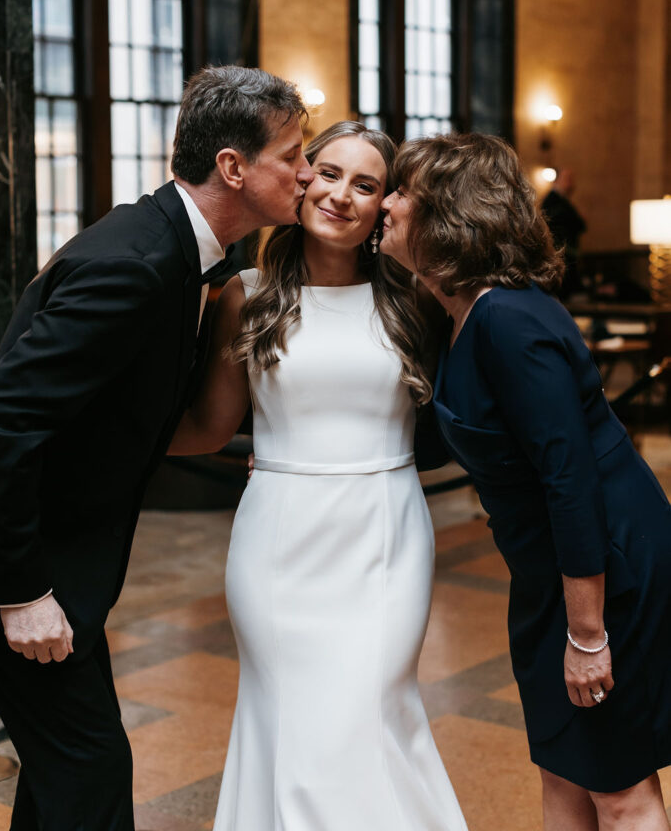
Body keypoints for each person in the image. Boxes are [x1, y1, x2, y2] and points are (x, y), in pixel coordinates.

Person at [0, 64, 312, 831]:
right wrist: (20, 594)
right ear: (233, 168)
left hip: (64, 567)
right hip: (26, 566)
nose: (305, 172)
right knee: (90, 773)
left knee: (71, 771)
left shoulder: (175, 251)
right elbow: (1, 422)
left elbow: (132, 418)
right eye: (293, 154)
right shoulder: (135, 265)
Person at [171, 121, 468, 831]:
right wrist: (105, 447)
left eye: (365, 184)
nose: (340, 194)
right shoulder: (248, 295)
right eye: (328, 173)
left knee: (369, 712)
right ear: (302, 181)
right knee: (293, 723)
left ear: (384, 207)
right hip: (279, 538)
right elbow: (211, 425)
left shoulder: (414, 299)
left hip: (384, 536)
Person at [380, 131, 671, 831]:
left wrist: (587, 634)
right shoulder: (457, 312)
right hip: (546, 573)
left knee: (616, 786)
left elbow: (568, 482)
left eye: (399, 190)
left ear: (447, 212)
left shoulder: (508, 320)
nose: (385, 204)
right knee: (564, 767)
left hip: (605, 568)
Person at [541, 168, 587, 298]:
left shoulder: (564, 201)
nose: (571, 183)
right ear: (557, 180)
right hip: (561, 255)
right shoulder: (552, 201)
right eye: (567, 179)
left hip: (567, 254)